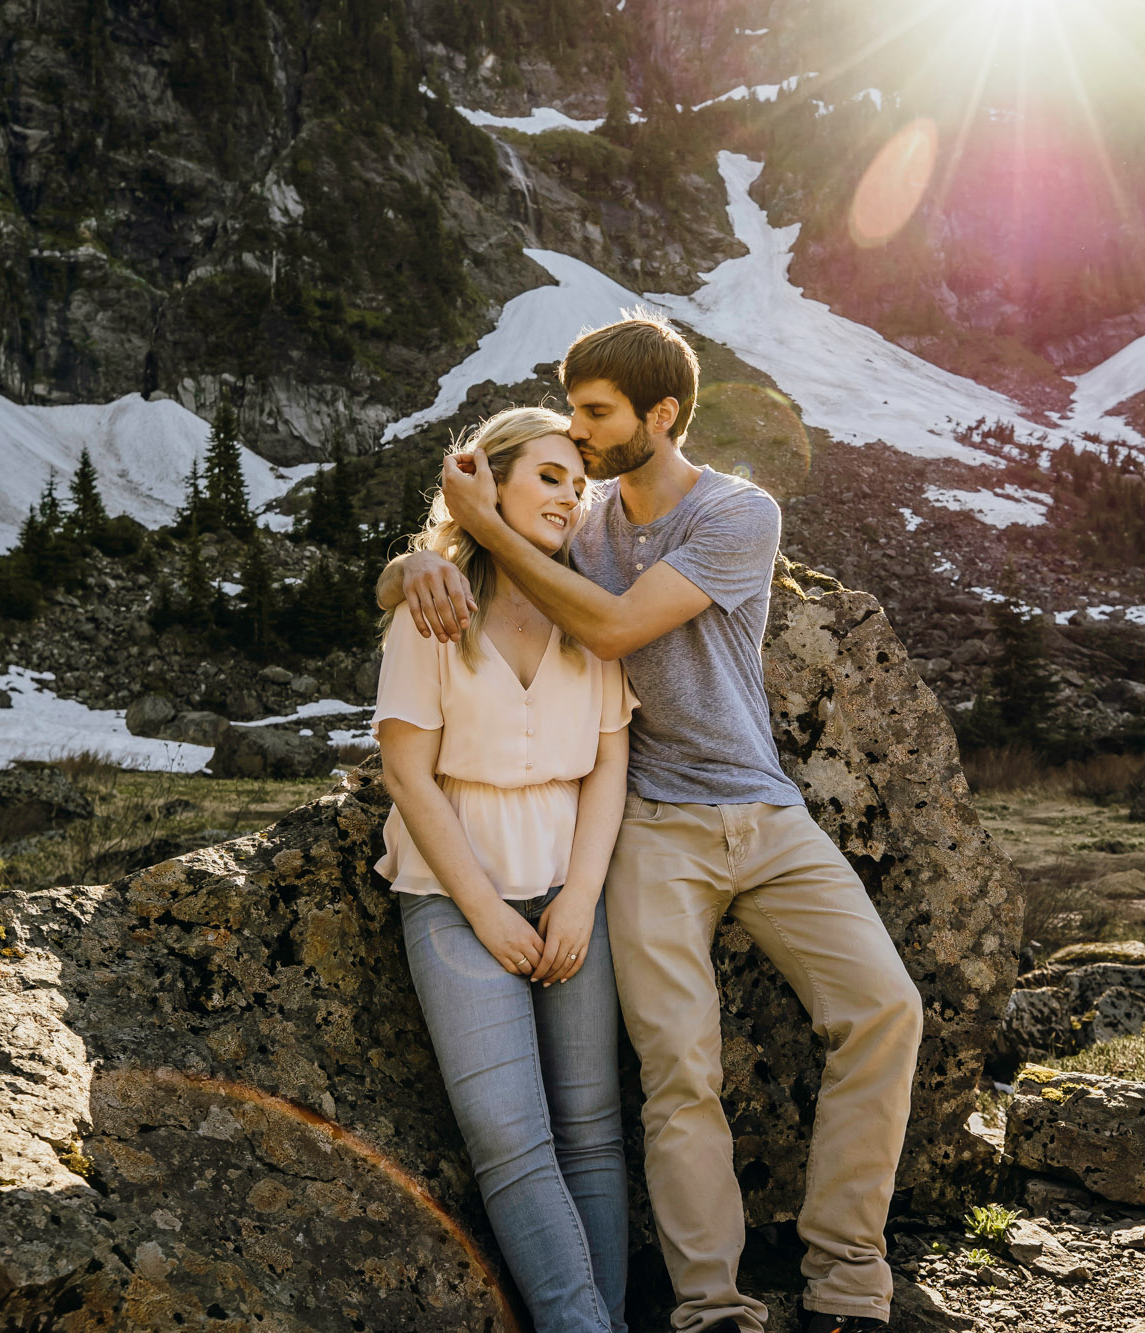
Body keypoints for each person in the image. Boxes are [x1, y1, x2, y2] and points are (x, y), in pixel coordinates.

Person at [379, 314, 924, 1333]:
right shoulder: (575, 525)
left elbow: (617, 625)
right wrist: (415, 567)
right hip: (650, 829)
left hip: (763, 811)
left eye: (595, 415)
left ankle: (846, 1283)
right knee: (678, 1068)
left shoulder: (738, 512)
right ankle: (711, 1308)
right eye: (572, 415)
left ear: (659, 415)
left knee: (884, 1007)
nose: (577, 440)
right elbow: (462, 563)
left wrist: (482, 533)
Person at [372, 406, 637, 1333]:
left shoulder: (586, 605)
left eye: (578, 482)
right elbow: (406, 768)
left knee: (595, 1132)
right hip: (453, 898)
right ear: (490, 484)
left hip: (571, 889)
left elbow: (610, 764)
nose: (569, 495)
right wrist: (485, 911)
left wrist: (580, 900)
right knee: (509, 1139)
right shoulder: (435, 601)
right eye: (549, 476)